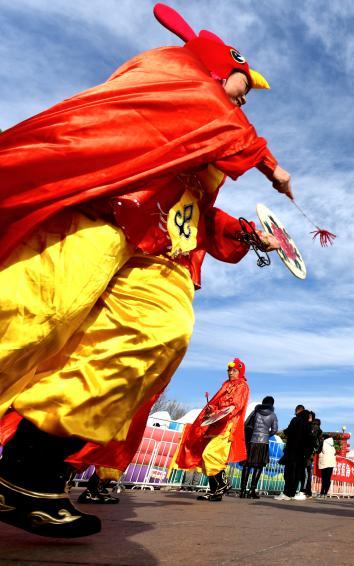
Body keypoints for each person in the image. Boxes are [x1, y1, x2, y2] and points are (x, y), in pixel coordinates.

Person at [0, 3, 288, 538]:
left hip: (158, 253)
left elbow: (196, 210)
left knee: (161, 334)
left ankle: (27, 469)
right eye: (241, 85)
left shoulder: (215, 135)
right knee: (33, 315)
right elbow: (215, 122)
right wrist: (270, 164)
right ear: (213, 69)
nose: (246, 100)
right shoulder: (167, 79)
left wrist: (249, 233)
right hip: (100, 218)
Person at [175, 359, 250, 501]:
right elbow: (218, 404)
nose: (230, 373)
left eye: (234, 370)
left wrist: (221, 410)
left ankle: (223, 483)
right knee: (206, 457)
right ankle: (215, 491)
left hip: (227, 426)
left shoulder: (242, 386)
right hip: (215, 425)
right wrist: (212, 409)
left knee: (211, 454)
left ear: (240, 372)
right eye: (229, 370)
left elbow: (236, 406)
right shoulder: (226, 385)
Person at [240, 396, 278, 499]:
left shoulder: (255, 412)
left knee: (247, 465)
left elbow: (246, 424)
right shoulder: (273, 415)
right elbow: (274, 430)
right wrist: (266, 434)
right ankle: (252, 491)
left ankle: (242, 491)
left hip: (252, 441)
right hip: (263, 442)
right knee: (259, 466)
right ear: (272, 404)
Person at [275, 406, 313, 501]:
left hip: (292, 451)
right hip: (302, 454)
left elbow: (289, 431)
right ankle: (291, 493)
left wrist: (285, 431)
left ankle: (286, 493)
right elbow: (309, 440)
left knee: (289, 473)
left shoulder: (295, 420)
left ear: (298, 411)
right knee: (297, 475)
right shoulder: (308, 424)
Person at [303, 414, 323, 497]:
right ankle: (308, 491)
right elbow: (320, 444)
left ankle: (304, 490)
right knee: (308, 473)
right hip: (311, 454)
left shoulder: (311, 430)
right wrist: (316, 451)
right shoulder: (320, 432)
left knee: (306, 473)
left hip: (307, 453)